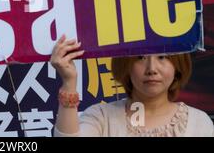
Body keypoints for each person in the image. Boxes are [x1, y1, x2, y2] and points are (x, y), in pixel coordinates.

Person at [50, 35, 214, 136]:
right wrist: (69, 82)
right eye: (140, 57)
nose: (151, 69)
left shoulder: (199, 121)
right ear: (125, 65)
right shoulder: (101, 117)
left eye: (162, 57)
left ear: (177, 66)